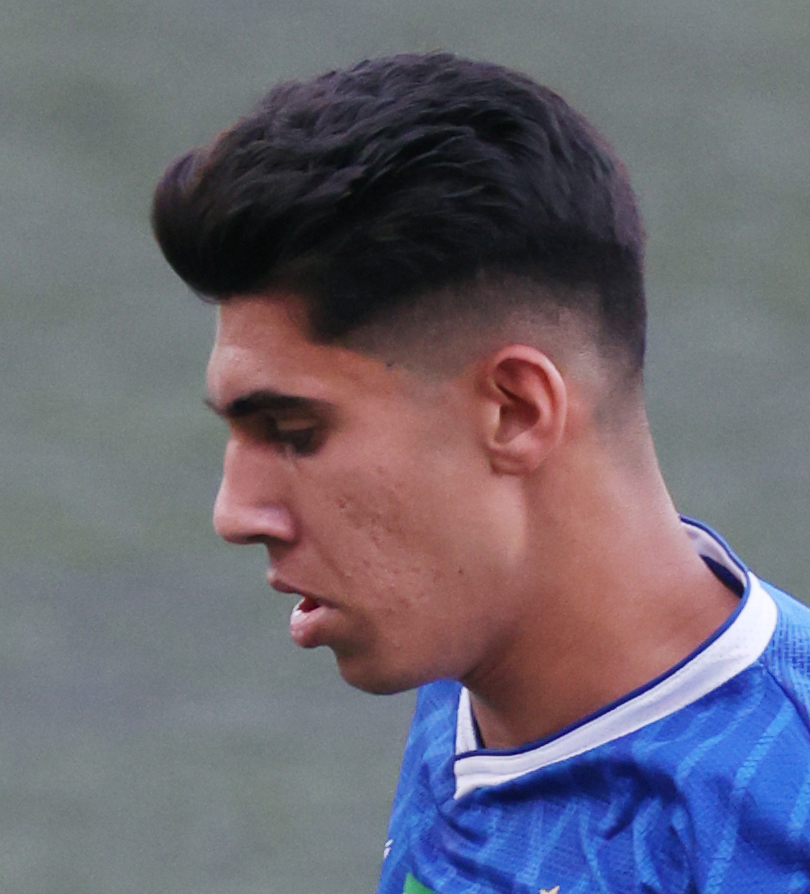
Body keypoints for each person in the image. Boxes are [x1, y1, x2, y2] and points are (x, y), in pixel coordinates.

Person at [151, 53, 810, 893]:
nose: (235, 512)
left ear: (516, 412)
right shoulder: (465, 658)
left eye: (295, 433)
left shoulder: (776, 827)